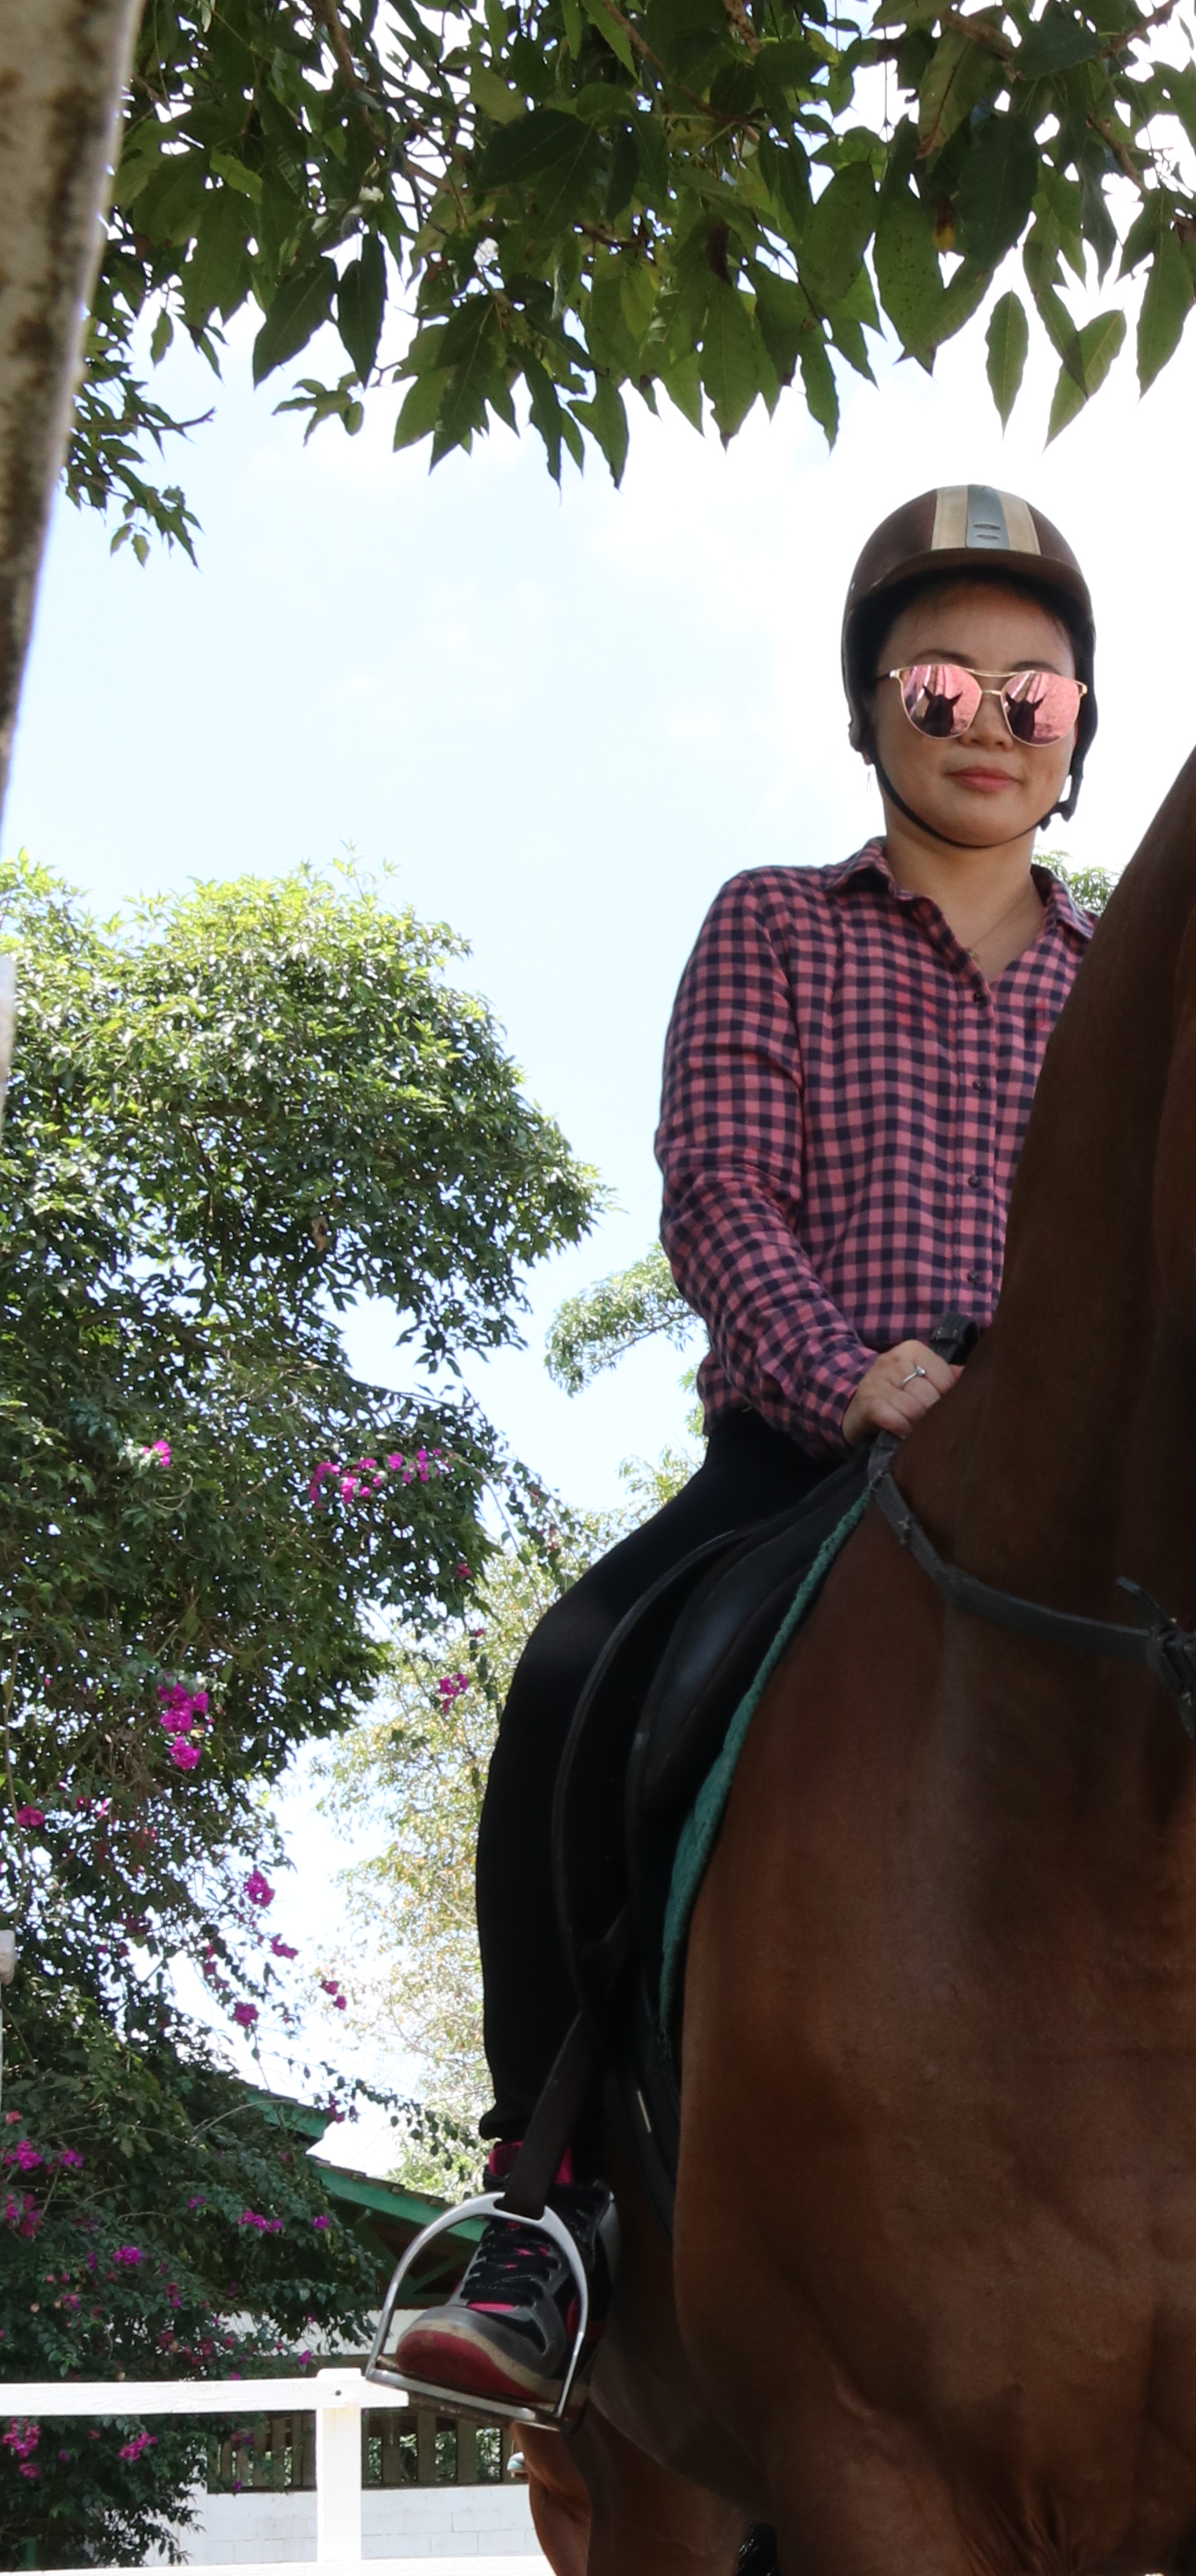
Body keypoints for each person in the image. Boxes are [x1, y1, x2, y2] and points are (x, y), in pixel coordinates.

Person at [383, 480, 1106, 2412]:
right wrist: (844, 1372)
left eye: (1032, 694)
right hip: (815, 1455)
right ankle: (538, 2208)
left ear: (1078, 737)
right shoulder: (774, 925)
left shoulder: (1128, 985)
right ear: (869, 709)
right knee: (567, 1678)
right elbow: (718, 1187)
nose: (983, 720)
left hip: (1076, 1485)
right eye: (941, 679)